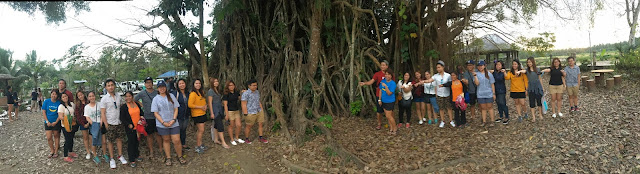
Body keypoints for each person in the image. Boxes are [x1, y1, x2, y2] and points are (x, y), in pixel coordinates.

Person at [151, 80, 186, 165]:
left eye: (163, 86)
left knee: (176, 140)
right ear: (158, 88)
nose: (162, 88)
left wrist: (173, 119)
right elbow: (155, 113)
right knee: (166, 140)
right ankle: (168, 157)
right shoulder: (156, 99)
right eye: (160, 87)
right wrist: (163, 122)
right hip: (162, 124)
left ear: (165, 87)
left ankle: (180, 156)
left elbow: (176, 108)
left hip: (173, 122)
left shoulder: (171, 96)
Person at [101, 79, 128, 169]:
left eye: (112, 85)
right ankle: (112, 158)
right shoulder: (104, 99)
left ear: (114, 86)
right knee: (110, 141)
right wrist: (106, 125)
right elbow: (103, 113)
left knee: (119, 139)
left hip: (119, 122)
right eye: (108, 85)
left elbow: (121, 107)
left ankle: (120, 155)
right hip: (110, 123)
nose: (111, 87)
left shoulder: (118, 96)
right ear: (106, 87)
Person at [134, 77, 163, 160]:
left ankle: (161, 149)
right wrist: (141, 104)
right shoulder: (142, 93)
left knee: (158, 134)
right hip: (148, 117)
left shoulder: (157, 92)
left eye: (150, 82)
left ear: (152, 83)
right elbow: (134, 99)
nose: (149, 84)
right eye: (147, 83)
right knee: (149, 135)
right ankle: (151, 151)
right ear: (145, 84)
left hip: (158, 116)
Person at [358, 60, 392, 130]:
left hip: (388, 95)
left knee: (389, 110)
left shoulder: (390, 74)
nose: (382, 66)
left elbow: (393, 84)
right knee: (379, 111)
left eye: (384, 65)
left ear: (387, 66)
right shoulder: (377, 74)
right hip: (379, 94)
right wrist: (364, 83)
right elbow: (372, 81)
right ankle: (379, 124)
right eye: (381, 65)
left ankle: (391, 124)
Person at [120, 91, 143, 168]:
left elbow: (141, 113)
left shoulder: (137, 104)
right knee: (131, 142)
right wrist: (128, 124)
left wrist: (142, 118)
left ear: (132, 97)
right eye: (126, 96)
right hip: (131, 128)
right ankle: (131, 158)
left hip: (139, 126)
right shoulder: (124, 107)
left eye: (129, 96)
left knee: (137, 141)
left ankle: (137, 154)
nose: (128, 98)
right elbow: (122, 118)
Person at [84, 91, 108, 164]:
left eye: (93, 96)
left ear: (95, 96)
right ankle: (95, 155)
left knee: (103, 141)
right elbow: (87, 117)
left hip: (101, 124)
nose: (92, 97)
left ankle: (104, 154)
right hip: (93, 125)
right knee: (93, 142)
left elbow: (103, 113)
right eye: (90, 96)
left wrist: (101, 121)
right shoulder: (87, 107)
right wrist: (93, 124)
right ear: (88, 98)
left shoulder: (100, 104)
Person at [242, 79, 268, 143]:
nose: (255, 86)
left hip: (258, 110)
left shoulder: (257, 92)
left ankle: (261, 137)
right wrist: (245, 113)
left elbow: (258, 101)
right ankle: (247, 138)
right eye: (253, 85)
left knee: (260, 124)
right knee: (249, 126)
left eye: (256, 85)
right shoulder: (245, 93)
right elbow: (243, 104)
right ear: (249, 86)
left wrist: (261, 109)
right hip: (250, 112)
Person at [189, 78, 212, 152]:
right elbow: (190, 104)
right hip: (197, 114)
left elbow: (203, 101)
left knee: (201, 130)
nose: (198, 85)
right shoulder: (193, 94)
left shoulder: (201, 92)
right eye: (196, 83)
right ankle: (198, 146)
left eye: (199, 83)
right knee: (201, 130)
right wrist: (200, 107)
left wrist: (205, 106)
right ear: (193, 85)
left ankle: (201, 144)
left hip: (203, 113)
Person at [473, 60, 496, 127]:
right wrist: (475, 76)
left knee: (490, 107)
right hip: (480, 94)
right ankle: (484, 121)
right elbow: (477, 83)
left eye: (481, 66)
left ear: (484, 66)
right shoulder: (476, 74)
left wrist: (493, 93)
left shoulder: (489, 74)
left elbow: (492, 84)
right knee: (483, 108)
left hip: (489, 93)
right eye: (479, 66)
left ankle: (492, 121)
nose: (480, 67)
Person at [58, 92, 78, 162]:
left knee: (71, 139)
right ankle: (65, 156)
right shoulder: (61, 106)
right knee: (67, 140)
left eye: (65, 96)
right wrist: (68, 119)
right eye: (63, 97)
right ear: (61, 98)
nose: (65, 98)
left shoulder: (72, 104)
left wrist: (74, 118)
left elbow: (75, 113)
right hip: (65, 126)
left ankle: (70, 151)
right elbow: (60, 117)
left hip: (73, 124)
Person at [433, 61, 454, 128]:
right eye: (437, 68)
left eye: (439, 67)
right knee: (441, 108)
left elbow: (450, 83)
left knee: (449, 108)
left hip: (447, 94)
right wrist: (424, 81)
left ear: (443, 67)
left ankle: (451, 120)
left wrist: (444, 85)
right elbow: (431, 80)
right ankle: (442, 121)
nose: (438, 69)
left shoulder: (448, 75)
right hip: (439, 94)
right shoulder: (435, 76)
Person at [524, 57, 545, 122]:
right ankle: (533, 117)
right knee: (532, 102)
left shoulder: (538, 69)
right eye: (528, 62)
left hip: (537, 87)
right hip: (530, 88)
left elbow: (540, 78)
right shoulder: (527, 70)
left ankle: (540, 115)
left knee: (539, 102)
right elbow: (523, 71)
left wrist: (542, 87)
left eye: (530, 62)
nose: (529, 63)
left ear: (533, 62)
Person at [172, 79, 190, 151]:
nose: (182, 85)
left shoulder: (188, 93)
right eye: (180, 84)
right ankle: (178, 145)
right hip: (178, 116)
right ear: (177, 85)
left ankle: (183, 143)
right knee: (178, 130)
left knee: (184, 129)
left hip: (186, 115)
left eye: (183, 83)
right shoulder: (175, 93)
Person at [223, 80, 243, 146]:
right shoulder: (226, 94)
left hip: (236, 110)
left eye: (232, 85)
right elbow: (225, 104)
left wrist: (244, 92)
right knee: (231, 126)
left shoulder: (236, 92)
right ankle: (232, 139)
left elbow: (240, 98)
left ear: (234, 86)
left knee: (239, 125)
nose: (231, 87)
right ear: (227, 86)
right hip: (230, 111)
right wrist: (226, 114)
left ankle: (236, 137)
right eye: (229, 85)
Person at [43, 90, 62, 159]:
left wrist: (56, 122)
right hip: (48, 122)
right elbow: (44, 112)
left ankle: (56, 151)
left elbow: (60, 113)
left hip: (56, 122)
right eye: (52, 94)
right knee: (49, 137)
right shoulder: (46, 101)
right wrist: (47, 121)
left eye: (55, 94)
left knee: (56, 136)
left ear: (57, 96)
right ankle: (52, 150)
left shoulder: (59, 103)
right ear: (51, 94)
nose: (54, 95)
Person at [74, 91, 92, 160]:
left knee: (91, 137)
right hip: (82, 123)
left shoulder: (89, 102)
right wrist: (83, 124)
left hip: (90, 121)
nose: (81, 96)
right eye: (79, 96)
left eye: (81, 95)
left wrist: (89, 122)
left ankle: (92, 149)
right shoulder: (78, 105)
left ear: (84, 94)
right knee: (85, 137)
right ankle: (88, 152)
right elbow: (78, 116)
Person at [378, 70, 398, 134]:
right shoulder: (383, 81)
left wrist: (386, 86)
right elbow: (380, 90)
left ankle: (395, 128)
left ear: (391, 76)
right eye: (386, 74)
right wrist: (379, 99)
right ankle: (391, 128)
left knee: (388, 116)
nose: (387, 76)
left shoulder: (393, 83)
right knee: (388, 116)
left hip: (390, 101)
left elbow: (389, 93)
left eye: (389, 74)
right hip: (384, 100)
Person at [207, 78, 223, 145]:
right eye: (214, 82)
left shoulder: (217, 90)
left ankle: (216, 139)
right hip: (215, 110)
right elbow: (210, 103)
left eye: (217, 81)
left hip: (220, 109)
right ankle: (223, 142)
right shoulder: (211, 91)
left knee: (216, 125)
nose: (216, 83)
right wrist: (212, 113)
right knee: (220, 125)